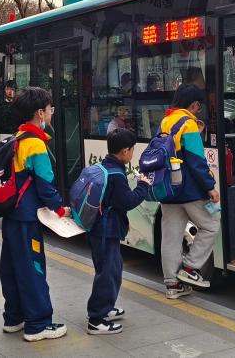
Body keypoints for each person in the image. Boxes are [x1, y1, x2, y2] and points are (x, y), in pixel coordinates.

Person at [0, 87, 68, 342]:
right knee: (33, 269)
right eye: (50, 109)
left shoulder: (17, 137)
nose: (52, 112)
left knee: (12, 267)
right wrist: (60, 209)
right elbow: (45, 185)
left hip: (11, 215)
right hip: (27, 218)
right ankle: (38, 324)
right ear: (40, 112)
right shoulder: (35, 144)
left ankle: (14, 317)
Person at [86, 129, 152, 335]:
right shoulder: (116, 175)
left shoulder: (105, 166)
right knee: (109, 272)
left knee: (109, 269)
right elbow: (127, 201)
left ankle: (105, 307)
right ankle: (96, 319)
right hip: (106, 230)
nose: (132, 153)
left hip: (99, 228)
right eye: (132, 149)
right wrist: (143, 185)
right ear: (125, 151)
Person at [159, 84, 220, 298]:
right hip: (189, 189)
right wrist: (210, 187)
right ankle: (190, 267)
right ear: (193, 105)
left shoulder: (166, 120)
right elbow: (196, 160)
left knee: (171, 237)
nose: (198, 110)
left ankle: (172, 285)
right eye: (198, 106)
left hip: (168, 188)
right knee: (211, 224)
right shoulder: (189, 123)